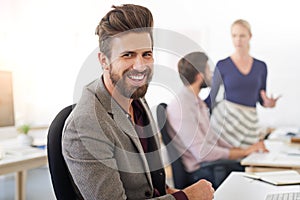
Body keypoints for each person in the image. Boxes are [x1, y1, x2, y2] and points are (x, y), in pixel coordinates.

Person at [62, 4, 214, 200]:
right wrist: (185, 198)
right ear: (104, 61)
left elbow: (150, 182)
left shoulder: (136, 100)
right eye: (128, 55)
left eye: (146, 54)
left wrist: (172, 192)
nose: (140, 66)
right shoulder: (85, 125)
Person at [166, 51, 268, 189]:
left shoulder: (197, 102)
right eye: (209, 71)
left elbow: (213, 138)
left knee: (257, 170)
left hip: (212, 166)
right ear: (200, 76)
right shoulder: (182, 106)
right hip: (203, 172)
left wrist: (242, 150)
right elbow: (203, 152)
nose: (212, 75)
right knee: (257, 179)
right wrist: (244, 152)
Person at [206, 19, 280, 148]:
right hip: (226, 123)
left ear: (249, 36)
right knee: (225, 162)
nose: (238, 40)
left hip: (249, 124)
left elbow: (260, 98)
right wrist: (191, 104)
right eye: (234, 36)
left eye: (242, 35)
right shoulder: (222, 65)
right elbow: (212, 97)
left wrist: (268, 103)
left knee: (246, 160)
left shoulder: (261, 67)